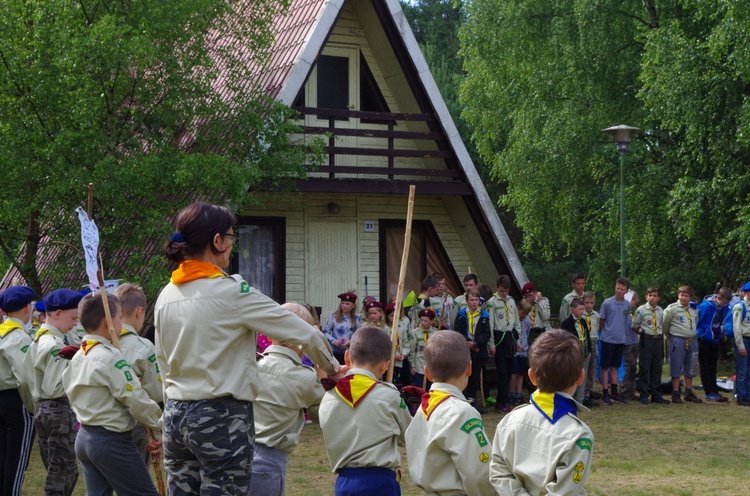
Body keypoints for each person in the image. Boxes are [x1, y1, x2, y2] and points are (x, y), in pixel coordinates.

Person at [154, 202, 340, 495]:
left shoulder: (167, 294)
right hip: (220, 415)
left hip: (175, 414)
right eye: (230, 238)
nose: (231, 246)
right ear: (216, 241)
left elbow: (162, 361)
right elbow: (305, 333)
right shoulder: (231, 292)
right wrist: (334, 369)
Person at [62, 292, 163, 496]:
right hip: (111, 441)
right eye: (118, 318)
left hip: (84, 438)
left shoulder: (80, 355)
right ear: (107, 321)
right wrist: (161, 426)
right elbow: (136, 399)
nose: (121, 323)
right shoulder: (109, 358)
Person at [490, 330, 593, 495]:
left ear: (531, 376)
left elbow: (498, 472)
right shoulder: (578, 434)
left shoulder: (510, 420)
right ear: (581, 377)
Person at [319, 326, 412, 496]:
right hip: (381, 482)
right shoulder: (389, 396)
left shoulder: (329, 396)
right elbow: (410, 436)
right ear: (386, 366)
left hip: (344, 481)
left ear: (347, 357)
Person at [251, 303, 327, 496]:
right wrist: (317, 347)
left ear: (268, 335)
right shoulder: (304, 378)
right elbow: (323, 392)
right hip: (270, 459)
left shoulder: (253, 367)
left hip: (241, 452)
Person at [405, 330, 493, 496]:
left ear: (428, 373)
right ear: (469, 368)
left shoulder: (425, 407)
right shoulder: (462, 412)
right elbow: (479, 473)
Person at [26, 288, 84, 496]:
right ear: (57, 314)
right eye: (73, 318)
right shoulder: (54, 345)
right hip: (58, 409)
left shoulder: (40, 338)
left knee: (58, 467)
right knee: (62, 473)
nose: (76, 323)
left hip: (44, 408)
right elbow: (56, 387)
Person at [113, 283, 164, 460]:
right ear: (139, 311)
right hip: (134, 423)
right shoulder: (143, 348)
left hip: (100, 425)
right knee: (136, 482)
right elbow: (157, 392)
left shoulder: (100, 342)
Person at [0, 286, 36, 496]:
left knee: (4, 457)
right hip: (17, 400)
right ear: (26, 307)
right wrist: (32, 407)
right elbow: (25, 378)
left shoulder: (2, 334)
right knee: (17, 460)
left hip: (2, 399)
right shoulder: (19, 337)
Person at [453, 288, 491, 412]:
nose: (474, 302)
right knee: (465, 375)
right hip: (464, 349)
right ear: (467, 301)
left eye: (476, 300)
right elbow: (457, 331)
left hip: (478, 350)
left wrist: (475, 343)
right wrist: (467, 343)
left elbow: (486, 334)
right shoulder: (461, 315)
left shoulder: (484, 315)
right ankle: (463, 400)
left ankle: (473, 400)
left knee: (475, 377)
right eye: (471, 300)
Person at [486, 275, 520, 412]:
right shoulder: (492, 302)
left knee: (510, 371)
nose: (504, 294)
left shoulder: (511, 301)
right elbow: (490, 324)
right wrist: (492, 344)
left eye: (506, 291)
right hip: (499, 337)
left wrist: (517, 340)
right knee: (502, 372)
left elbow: (516, 321)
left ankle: (504, 400)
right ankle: (501, 402)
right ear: (497, 288)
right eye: (501, 291)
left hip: (510, 337)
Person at [663, 285, 702, 404]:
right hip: (677, 339)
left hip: (692, 339)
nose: (683, 298)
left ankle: (688, 391)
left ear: (690, 297)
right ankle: (675, 392)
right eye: (681, 295)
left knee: (691, 365)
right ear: (678, 295)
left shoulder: (694, 308)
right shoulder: (672, 309)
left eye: (686, 296)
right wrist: (671, 337)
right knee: (676, 365)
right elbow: (665, 324)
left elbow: (696, 322)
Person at [632, 287, 670, 404]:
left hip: (658, 339)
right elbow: (634, 325)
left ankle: (656, 394)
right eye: (650, 295)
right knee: (645, 367)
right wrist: (642, 333)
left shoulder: (660, 310)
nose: (652, 298)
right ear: (646, 297)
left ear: (658, 298)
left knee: (657, 368)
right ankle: (644, 394)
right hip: (646, 339)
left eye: (655, 296)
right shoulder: (641, 310)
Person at [598, 277, 631, 405]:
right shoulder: (607, 303)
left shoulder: (627, 305)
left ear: (626, 291)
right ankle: (605, 392)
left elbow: (626, 319)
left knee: (615, 367)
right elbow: (602, 320)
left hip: (620, 339)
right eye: (617, 288)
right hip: (608, 339)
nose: (619, 291)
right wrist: (604, 332)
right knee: (605, 366)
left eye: (622, 289)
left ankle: (614, 392)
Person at [696, 287, 732, 402]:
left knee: (713, 366)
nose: (724, 305)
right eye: (723, 302)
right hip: (704, 339)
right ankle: (708, 391)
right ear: (718, 298)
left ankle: (714, 390)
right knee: (705, 366)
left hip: (715, 340)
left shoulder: (724, 308)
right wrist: (702, 334)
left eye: (726, 303)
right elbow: (698, 321)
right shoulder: (705, 306)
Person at [560, 298, 592, 404]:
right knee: (572, 376)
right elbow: (564, 339)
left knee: (583, 376)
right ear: (573, 309)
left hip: (584, 353)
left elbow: (587, 336)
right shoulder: (567, 323)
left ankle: (580, 400)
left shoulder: (583, 322)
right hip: (573, 353)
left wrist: (589, 350)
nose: (582, 311)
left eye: (583, 309)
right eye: (579, 309)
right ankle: (570, 399)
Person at [322, 292, 361, 365]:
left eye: (347, 304)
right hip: (335, 352)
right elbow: (325, 332)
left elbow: (359, 335)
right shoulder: (334, 316)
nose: (344, 306)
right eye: (342, 303)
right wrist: (333, 341)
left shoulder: (357, 319)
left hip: (350, 352)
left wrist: (350, 341)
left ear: (353, 305)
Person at [509, 298, 532, 406]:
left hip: (523, 350)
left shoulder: (527, 320)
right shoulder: (513, 319)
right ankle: (512, 394)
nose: (524, 315)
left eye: (526, 313)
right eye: (523, 313)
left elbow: (526, 334)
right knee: (514, 373)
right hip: (515, 350)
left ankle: (518, 394)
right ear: (518, 308)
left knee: (521, 373)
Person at [385, 302, 412, 387]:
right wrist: (391, 355)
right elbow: (383, 345)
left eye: (396, 315)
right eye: (392, 316)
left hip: (399, 362)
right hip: (387, 361)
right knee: (387, 381)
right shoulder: (385, 328)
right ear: (387, 316)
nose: (394, 318)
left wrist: (403, 354)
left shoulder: (401, 328)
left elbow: (406, 343)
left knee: (398, 382)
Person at [410, 308, 439, 388]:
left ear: (432, 321)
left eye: (425, 321)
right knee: (419, 387)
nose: (422, 323)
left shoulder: (436, 333)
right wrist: (412, 365)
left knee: (431, 387)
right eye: (421, 320)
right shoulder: (415, 333)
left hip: (431, 366)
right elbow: (412, 350)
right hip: (419, 365)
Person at [620, 291, 640, 402]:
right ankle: (624, 391)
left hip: (633, 341)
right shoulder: (623, 314)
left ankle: (631, 392)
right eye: (634, 302)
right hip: (626, 342)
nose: (635, 304)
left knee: (633, 367)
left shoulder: (631, 314)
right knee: (629, 366)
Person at [581, 291, 601, 406]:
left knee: (592, 368)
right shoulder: (581, 315)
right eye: (587, 302)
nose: (589, 305)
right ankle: (581, 395)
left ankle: (588, 394)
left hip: (594, 341)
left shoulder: (596, 315)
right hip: (584, 343)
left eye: (591, 303)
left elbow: (597, 328)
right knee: (584, 368)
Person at [732, 282, 750, 406]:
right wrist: (740, 346)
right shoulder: (740, 307)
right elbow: (736, 328)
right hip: (743, 340)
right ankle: (741, 396)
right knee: (742, 370)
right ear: (748, 293)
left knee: (749, 370)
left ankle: (748, 395)